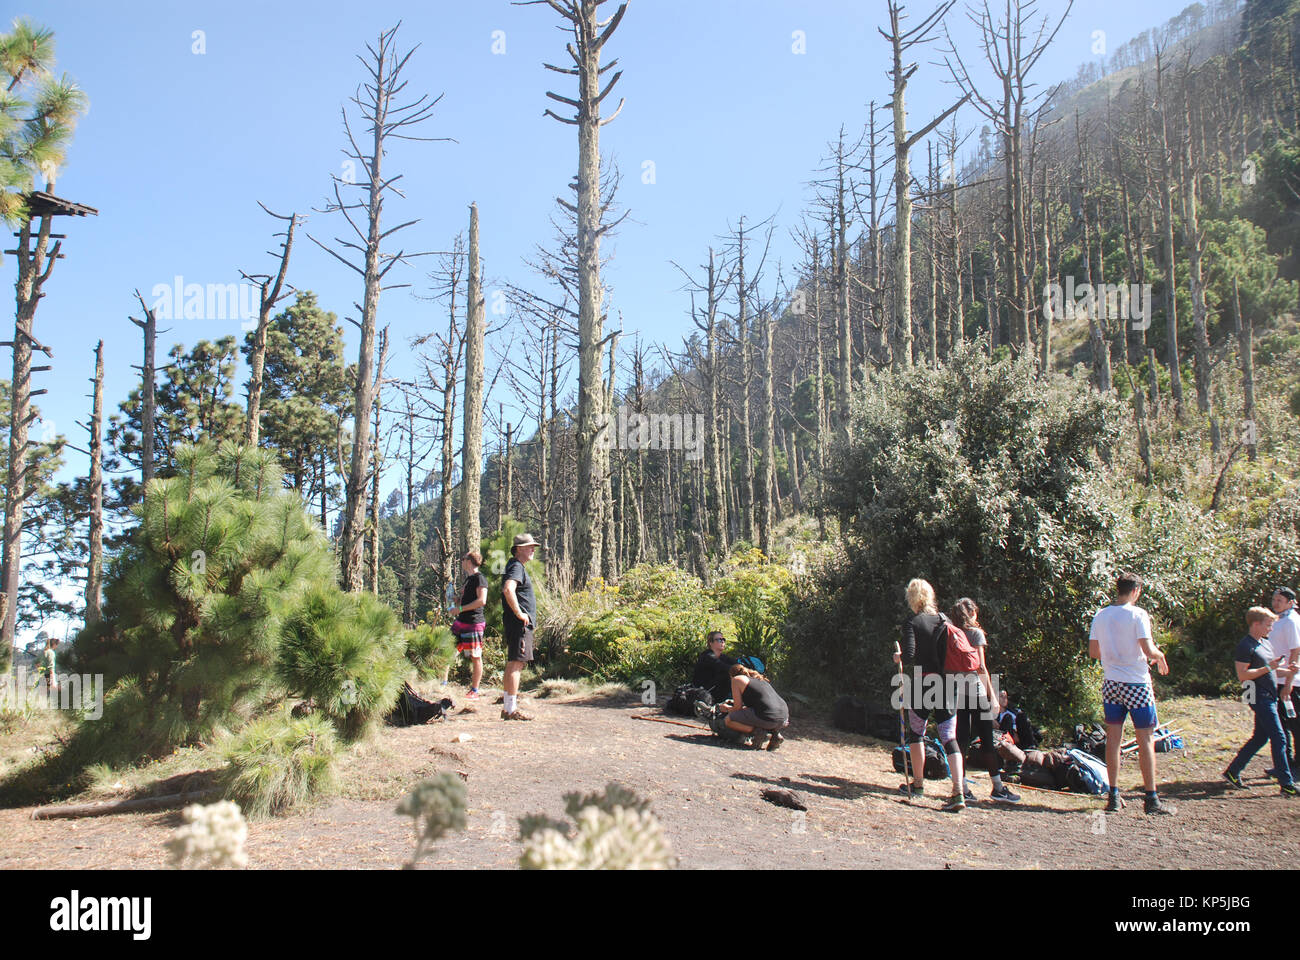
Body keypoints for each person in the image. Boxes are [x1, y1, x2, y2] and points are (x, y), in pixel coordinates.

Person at [1088, 572, 1173, 815]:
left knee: (1113, 739)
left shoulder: (1101, 615)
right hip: (1136, 682)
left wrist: (1114, 656)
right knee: (1145, 739)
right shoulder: (1138, 614)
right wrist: (1160, 655)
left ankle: (1113, 796)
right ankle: (1151, 798)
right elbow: (1147, 648)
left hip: (1112, 682)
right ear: (1136, 591)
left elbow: (1094, 652)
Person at [894, 578, 966, 812]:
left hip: (924, 682)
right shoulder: (944, 620)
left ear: (911, 598)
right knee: (949, 736)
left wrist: (899, 657)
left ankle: (918, 785)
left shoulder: (912, 621)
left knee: (916, 732)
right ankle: (958, 791)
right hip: (948, 684)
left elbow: (911, 654)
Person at [951, 598, 1020, 804]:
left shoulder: (952, 633)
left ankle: (962, 787)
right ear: (972, 613)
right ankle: (997, 787)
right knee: (987, 739)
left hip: (957, 690)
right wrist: (992, 696)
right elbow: (981, 667)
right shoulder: (976, 633)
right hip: (976, 691)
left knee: (961, 739)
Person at [1223, 606, 1298, 795]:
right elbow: (1243, 675)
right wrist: (1269, 668)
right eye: (1268, 625)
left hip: (1270, 696)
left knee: (1260, 737)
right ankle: (1286, 784)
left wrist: (1288, 671)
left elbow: (1271, 669)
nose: (1271, 629)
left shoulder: (1264, 643)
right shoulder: (1245, 646)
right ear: (1256, 624)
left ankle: (1232, 772)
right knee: (1279, 737)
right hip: (1258, 697)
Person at [500, 533, 540, 721]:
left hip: (517, 624)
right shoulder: (516, 566)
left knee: (513, 663)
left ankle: (508, 707)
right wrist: (519, 613)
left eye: (533, 546)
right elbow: (508, 589)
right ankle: (511, 710)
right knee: (516, 664)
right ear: (519, 549)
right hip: (519, 624)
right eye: (529, 546)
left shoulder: (514, 566)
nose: (533, 549)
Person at [715, 663, 789, 751]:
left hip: (768, 717)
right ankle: (775, 734)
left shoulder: (736, 679)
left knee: (729, 720)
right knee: (755, 714)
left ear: (731, 675)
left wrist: (726, 708)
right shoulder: (759, 680)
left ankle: (758, 733)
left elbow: (737, 708)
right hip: (784, 718)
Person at [449, 551, 488, 699]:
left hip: (473, 623)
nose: (462, 561)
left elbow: (481, 601)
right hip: (461, 621)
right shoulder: (468, 580)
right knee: (447, 648)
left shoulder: (480, 579)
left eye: (464, 559)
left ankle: (475, 690)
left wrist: (459, 608)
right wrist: (458, 599)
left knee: (475, 656)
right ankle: (444, 683)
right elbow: (467, 599)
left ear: (469, 561)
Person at [1269, 587, 1300, 767]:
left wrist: (1289, 683)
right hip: (1277, 677)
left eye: (1279, 600)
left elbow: (1294, 651)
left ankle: (1291, 763)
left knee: (1292, 722)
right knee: (1282, 722)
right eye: (1274, 599)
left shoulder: (1290, 621)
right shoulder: (1279, 619)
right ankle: (1285, 762)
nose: (1275, 603)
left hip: (1288, 680)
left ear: (1290, 602)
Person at [691, 631, 735, 703]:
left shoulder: (723, 657)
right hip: (704, 692)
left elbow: (735, 664)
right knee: (727, 674)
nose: (722, 642)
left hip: (716, 690)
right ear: (711, 643)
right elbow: (724, 667)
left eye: (723, 639)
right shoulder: (707, 656)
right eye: (719, 640)